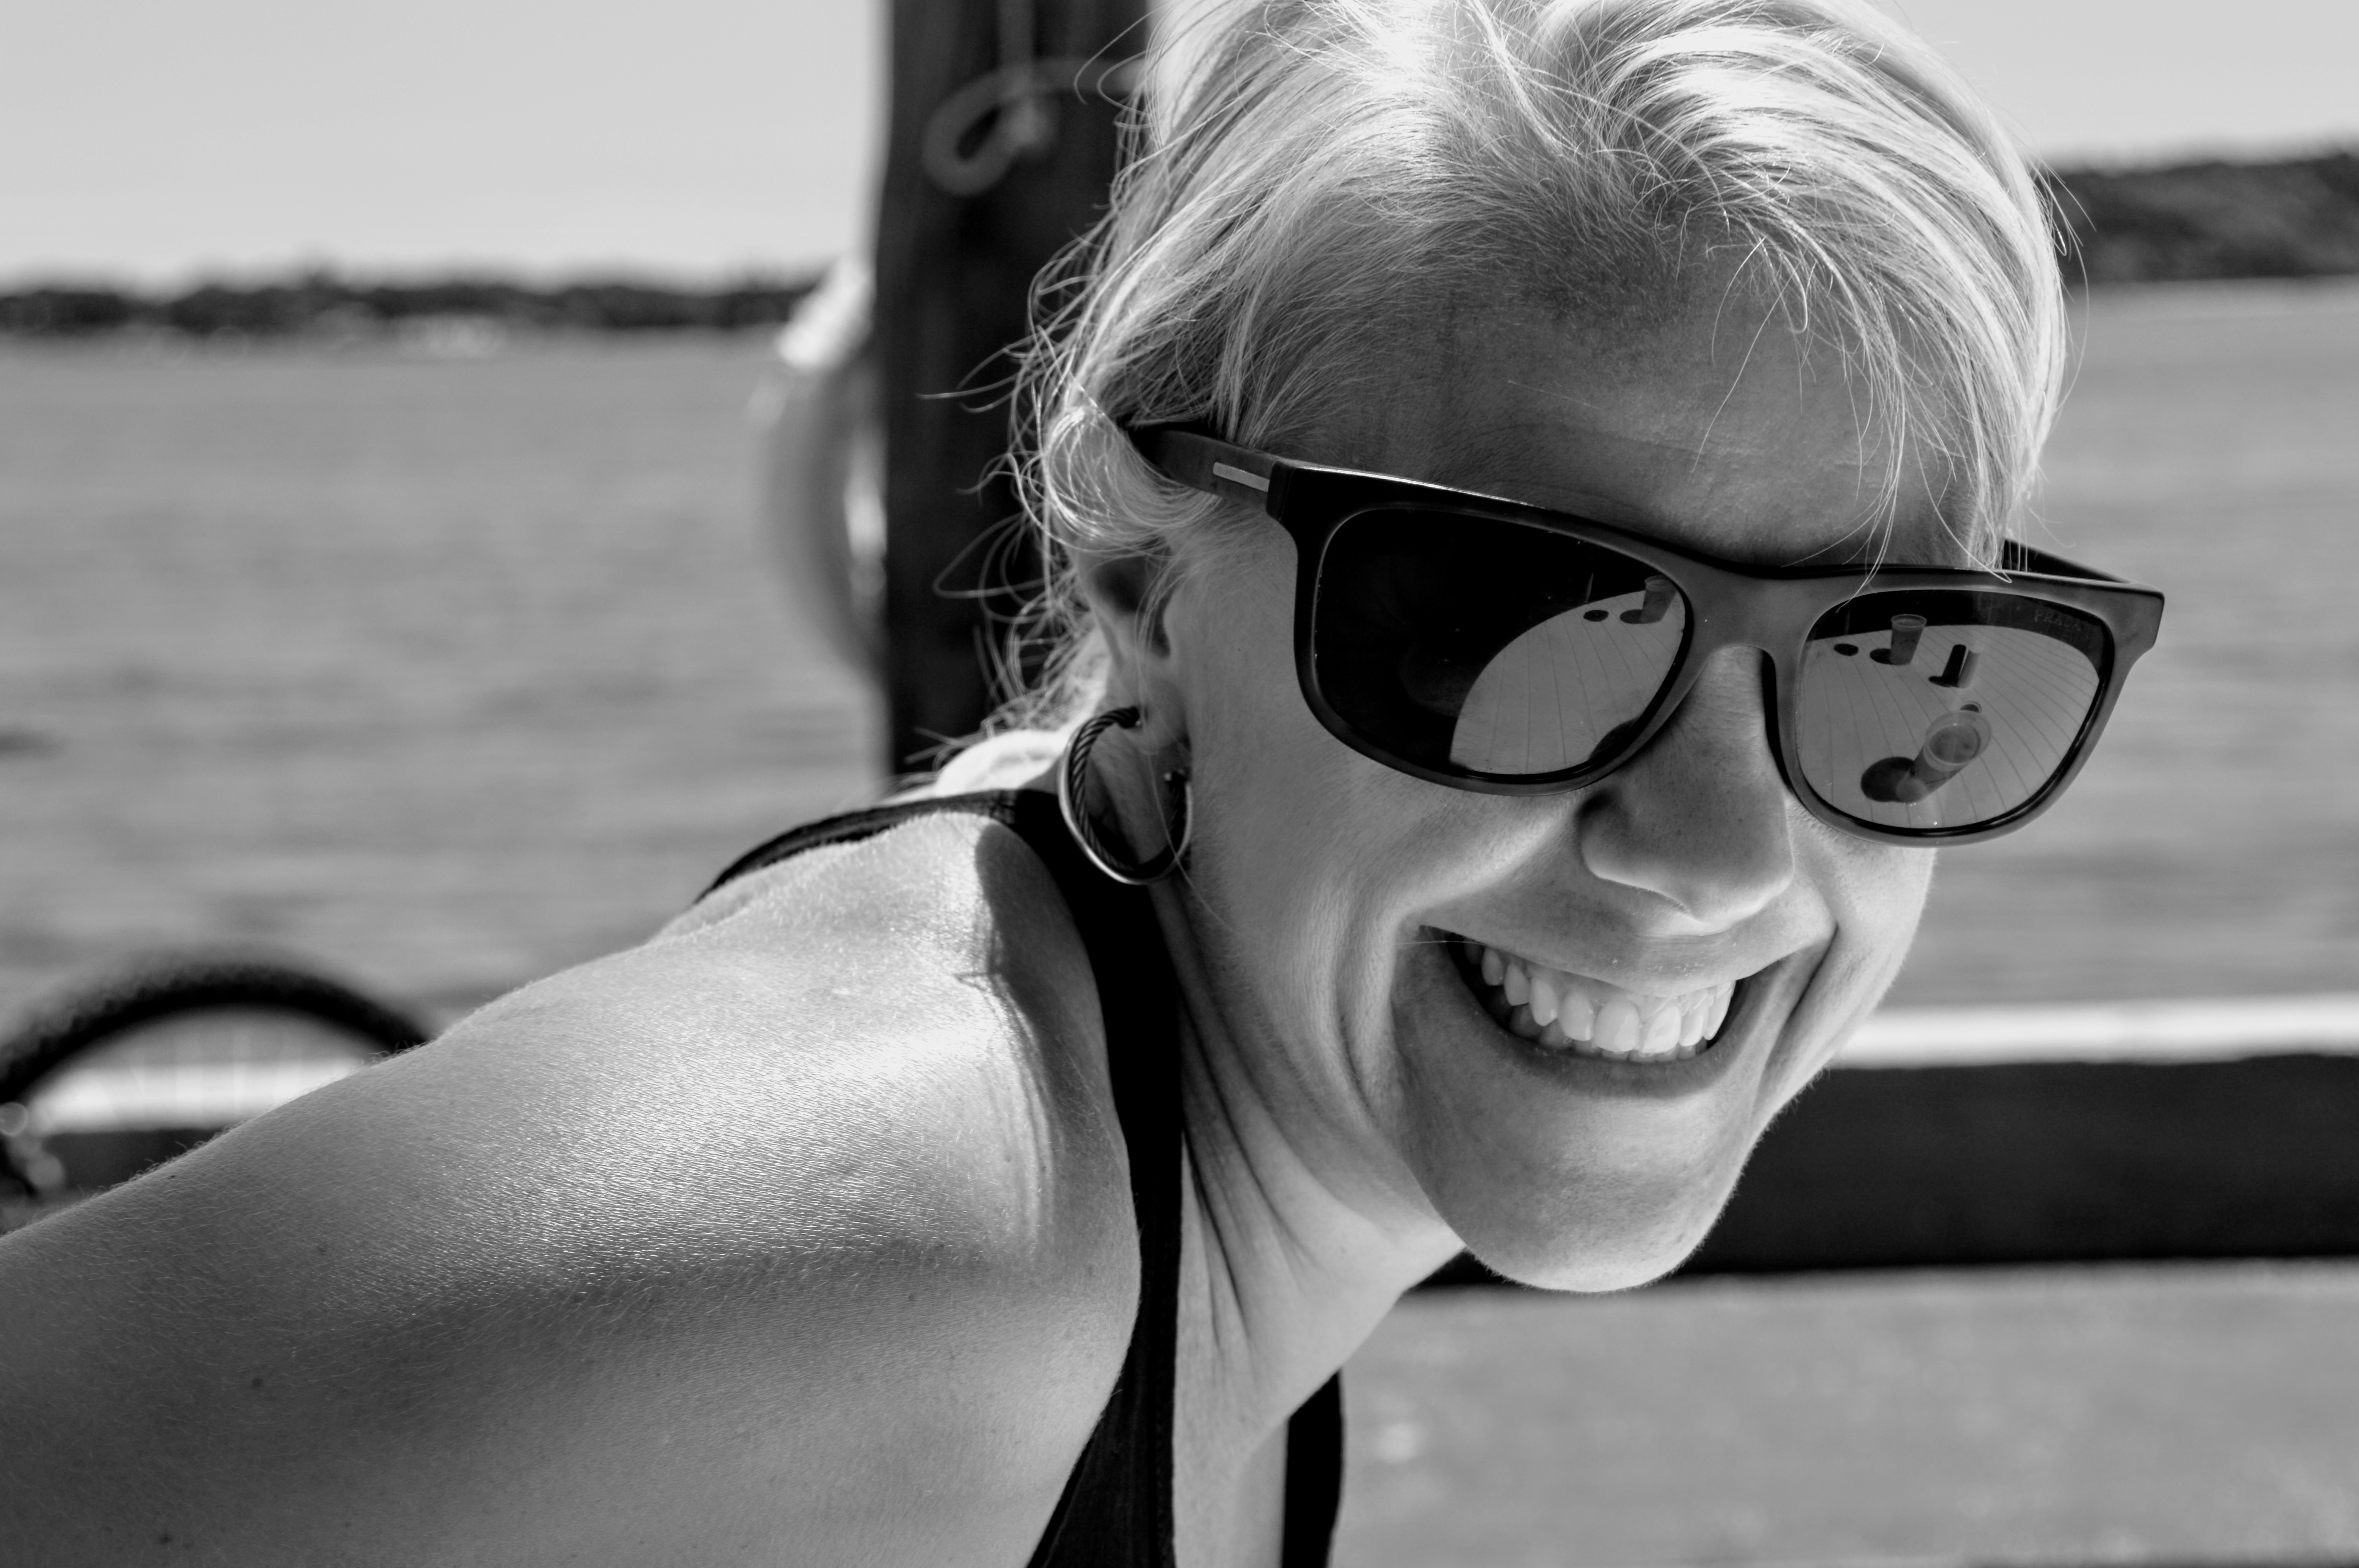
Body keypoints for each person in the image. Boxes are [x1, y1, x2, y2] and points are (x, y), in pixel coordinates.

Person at [0, 1, 2162, 1563]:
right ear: (1143, 589)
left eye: (1906, 664)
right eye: (1518, 626)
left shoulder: (1185, 1173)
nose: (1720, 850)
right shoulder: (898, 1242)